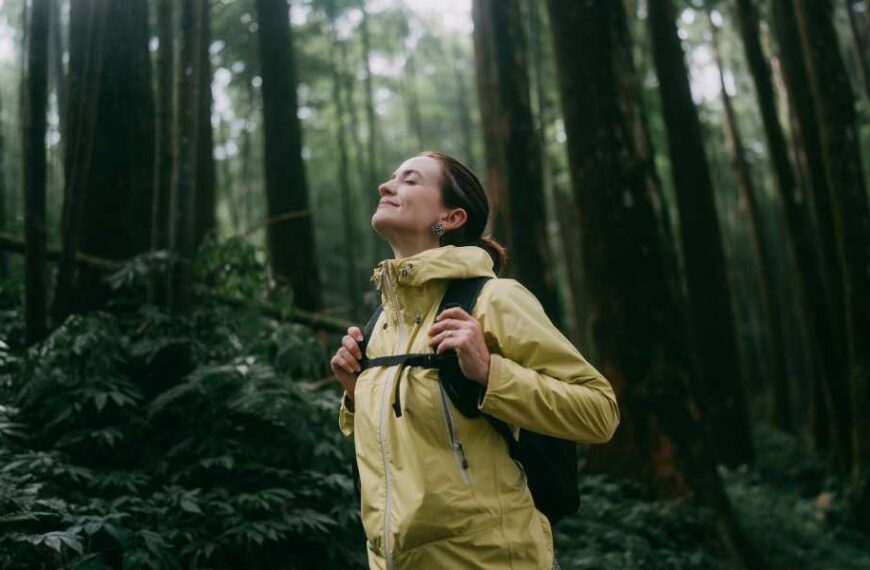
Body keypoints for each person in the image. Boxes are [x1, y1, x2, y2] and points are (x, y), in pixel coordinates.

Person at [330, 151, 620, 569]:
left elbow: (600, 412)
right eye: (392, 177)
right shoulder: (379, 326)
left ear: (451, 218)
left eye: (410, 180)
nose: (386, 186)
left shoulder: (494, 299)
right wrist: (356, 394)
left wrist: (490, 374)